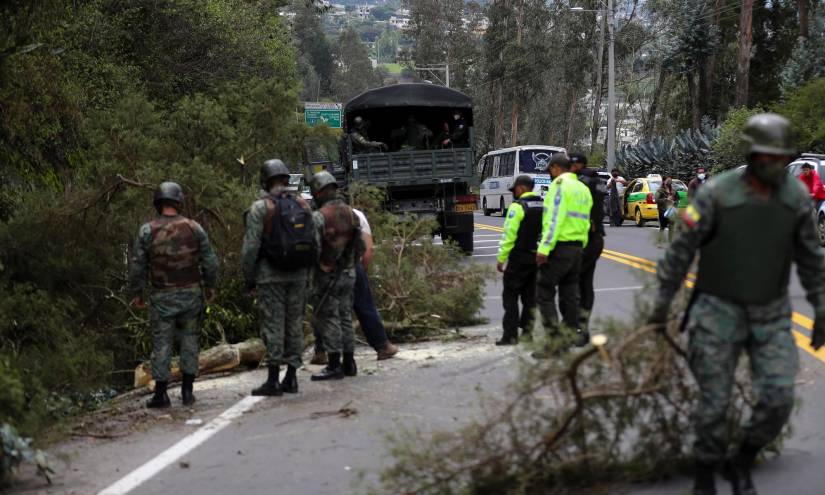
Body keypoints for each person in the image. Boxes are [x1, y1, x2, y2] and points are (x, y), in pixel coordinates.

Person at [647, 113, 825, 495]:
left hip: (771, 315)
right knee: (714, 403)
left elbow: (811, 258)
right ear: (753, 154)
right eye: (767, 157)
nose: (775, 165)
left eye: (781, 158)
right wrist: (661, 307)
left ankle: (742, 459)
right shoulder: (716, 194)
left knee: (778, 397)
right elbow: (680, 252)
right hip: (717, 312)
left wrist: (821, 307)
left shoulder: (795, 199)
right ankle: (706, 475)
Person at [129, 182, 219, 409]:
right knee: (190, 340)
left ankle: (161, 395)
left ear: (158, 203)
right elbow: (210, 261)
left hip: (162, 298)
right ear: (178, 202)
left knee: (162, 344)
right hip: (191, 295)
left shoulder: (147, 230)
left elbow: (138, 265)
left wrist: (137, 293)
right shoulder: (194, 227)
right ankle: (188, 392)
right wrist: (210, 286)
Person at [243, 159, 315, 396]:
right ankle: (292, 378)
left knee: (273, 325)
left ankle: (273, 379)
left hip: (270, 275)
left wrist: (249, 278)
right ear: (286, 179)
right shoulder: (303, 204)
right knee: (294, 323)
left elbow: (250, 247)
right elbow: (314, 240)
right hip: (298, 274)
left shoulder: (260, 207)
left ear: (265, 181)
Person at [310, 171, 365, 381]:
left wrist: (319, 269)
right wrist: (349, 264)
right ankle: (349, 363)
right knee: (345, 317)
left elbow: (314, 249)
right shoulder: (351, 214)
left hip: (327, 275)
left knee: (329, 318)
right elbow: (359, 246)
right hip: (349, 273)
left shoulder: (319, 217)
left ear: (321, 192)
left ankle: (334, 365)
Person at [535, 153, 593, 348]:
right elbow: (586, 221)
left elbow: (554, 219)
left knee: (544, 291)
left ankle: (554, 343)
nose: (550, 175)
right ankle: (568, 337)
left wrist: (544, 248)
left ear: (556, 168)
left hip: (559, 247)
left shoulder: (559, 186)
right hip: (577, 248)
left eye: (550, 170)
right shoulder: (583, 189)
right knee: (570, 294)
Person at [494, 175, 543, 346]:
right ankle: (528, 333)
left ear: (521, 188)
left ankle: (510, 335)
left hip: (519, 257)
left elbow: (509, 235)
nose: (514, 193)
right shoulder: (544, 205)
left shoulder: (517, 207)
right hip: (537, 257)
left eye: (515, 189)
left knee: (510, 296)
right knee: (530, 298)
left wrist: (501, 259)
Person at [352, 208, 399, 359]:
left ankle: (322, 353)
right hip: (352, 266)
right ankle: (383, 346)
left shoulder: (318, 215)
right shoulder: (355, 214)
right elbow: (368, 249)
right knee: (365, 306)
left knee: (326, 311)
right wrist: (363, 270)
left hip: (327, 270)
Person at [569, 153, 606, 339]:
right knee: (586, 284)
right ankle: (584, 327)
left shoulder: (576, 182)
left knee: (572, 285)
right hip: (597, 237)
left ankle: (576, 329)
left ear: (575, 165)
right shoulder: (598, 181)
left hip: (581, 238)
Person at [655, 176, 679, 247]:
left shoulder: (673, 190)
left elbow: (677, 199)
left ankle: (671, 242)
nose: (669, 182)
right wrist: (666, 199)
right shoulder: (660, 190)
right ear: (664, 181)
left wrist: (675, 202)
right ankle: (659, 242)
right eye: (668, 180)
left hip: (671, 210)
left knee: (671, 227)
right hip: (663, 211)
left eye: (670, 180)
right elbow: (657, 200)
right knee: (662, 227)